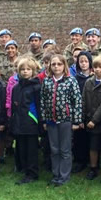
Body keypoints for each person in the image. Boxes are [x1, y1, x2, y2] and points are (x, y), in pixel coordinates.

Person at [40, 54, 83, 186]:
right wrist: (44, 120)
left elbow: (77, 101)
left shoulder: (71, 81)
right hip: (51, 121)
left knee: (65, 149)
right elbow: (43, 101)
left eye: (59, 64)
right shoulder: (47, 82)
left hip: (66, 120)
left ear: (64, 66)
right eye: (54, 64)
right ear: (50, 66)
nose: (56, 67)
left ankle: (64, 176)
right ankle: (56, 174)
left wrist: (76, 121)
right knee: (54, 149)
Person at [10, 57, 42, 184]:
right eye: (22, 69)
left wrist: (39, 123)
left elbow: (39, 106)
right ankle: (23, 168)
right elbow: (14, 106)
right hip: (19, 122)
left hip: (31, 122)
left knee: (31, 150)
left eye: (28, 69)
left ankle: (32, 173)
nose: (25, 72)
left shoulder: (36, 87)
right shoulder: (16, 88)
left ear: (33, 71)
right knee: (21, 147)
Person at [82, 55, 101, 180]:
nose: (98, 70)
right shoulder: (89, 82)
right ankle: (93, 168)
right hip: (89, 120)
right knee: (93, 146)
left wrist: (95, 120)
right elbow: (83, 100)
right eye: (95, 67)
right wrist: (82, 118)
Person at [72, 51, 93, 174]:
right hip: (79, 113)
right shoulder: (75, 79)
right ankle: (80, 161)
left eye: (86, 61)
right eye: (81, 61)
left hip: (92, 112)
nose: (84, 64)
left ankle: (92, 161)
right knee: (79, 139)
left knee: (92, 139)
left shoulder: (94, 77)